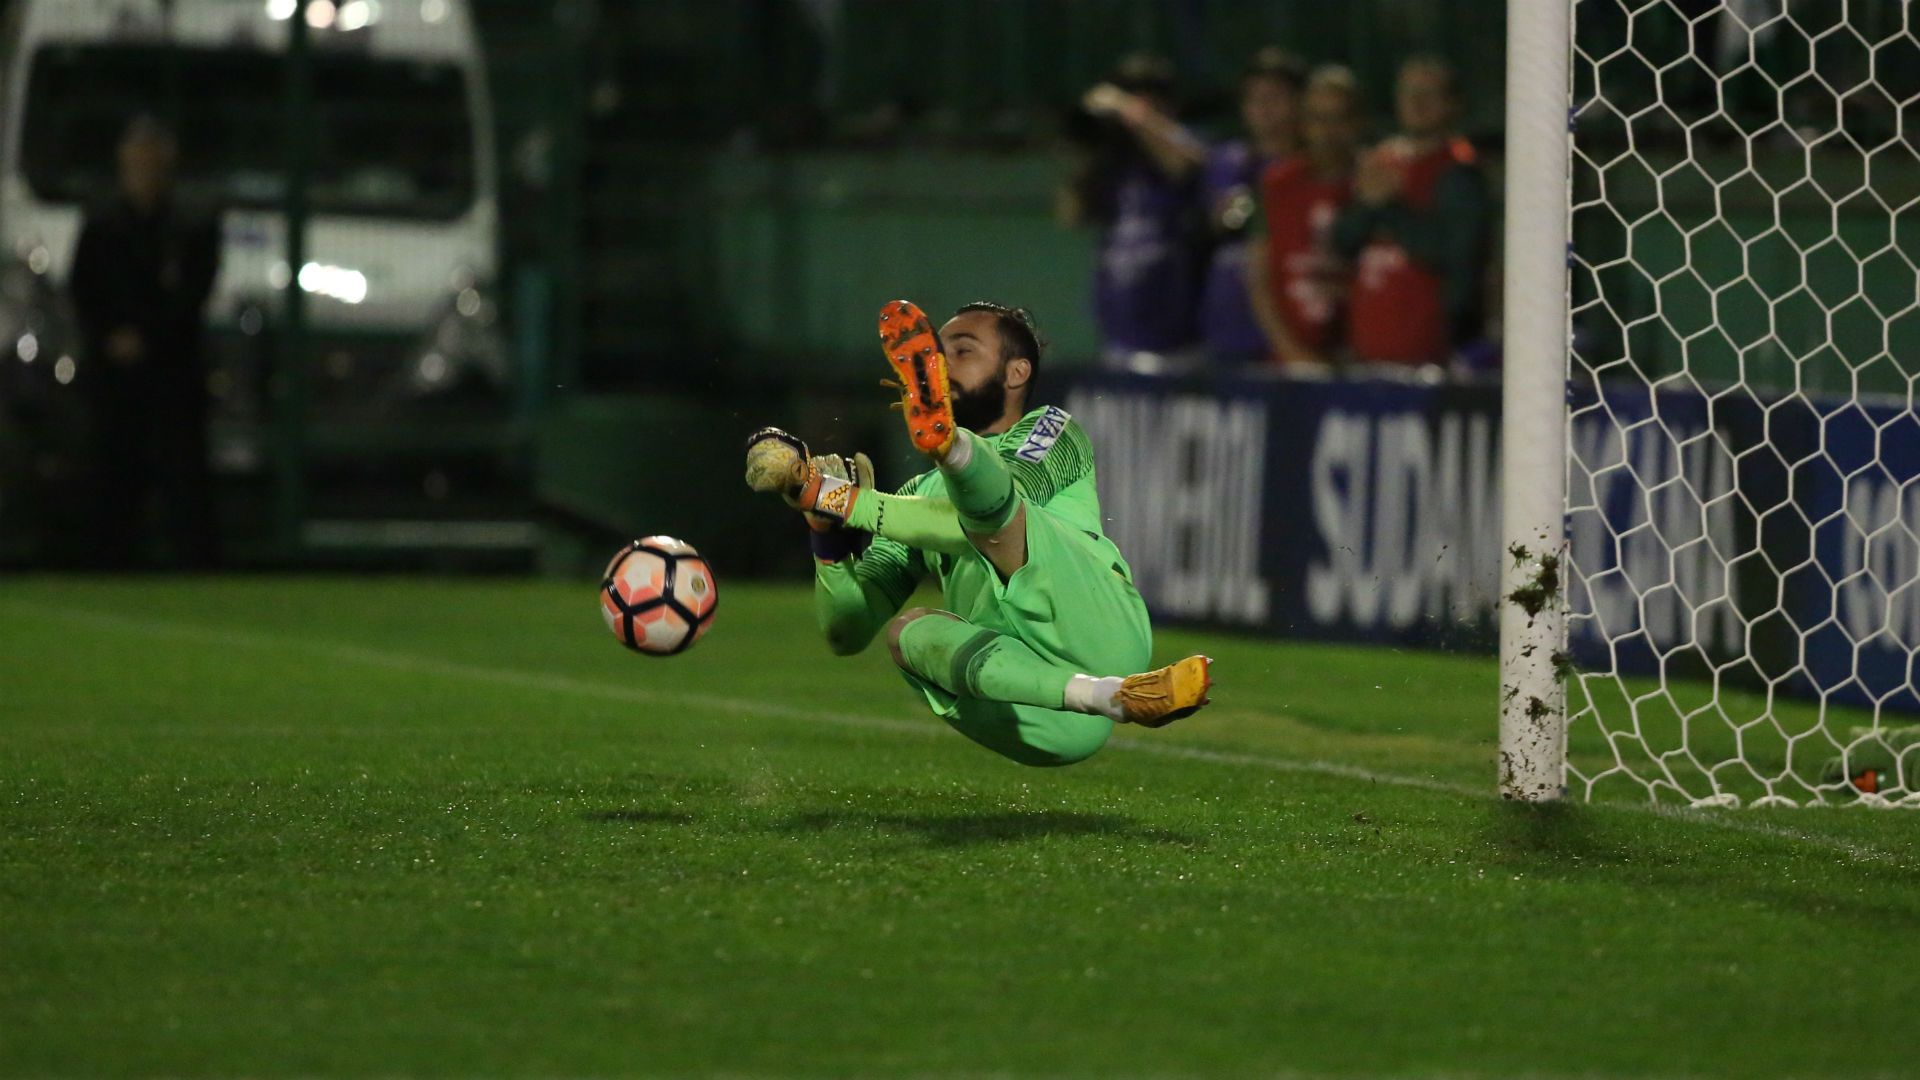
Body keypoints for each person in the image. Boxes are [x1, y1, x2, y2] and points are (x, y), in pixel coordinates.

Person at [744, 300, 1212, 767]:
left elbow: (978, 518)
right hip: (1053, 713)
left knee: (993, 516)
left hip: (1100, 633)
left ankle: (953, 448)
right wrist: (825, 536)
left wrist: (826, 495)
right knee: (907, 632)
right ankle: (1111, 697)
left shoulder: (1053, 431)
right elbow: (847, 631)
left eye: (960, 352)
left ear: (1016, 372)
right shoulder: (912, 496)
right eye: (928, 358)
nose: (936, 368)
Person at [68, 116, 221, 567]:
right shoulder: (102, 224)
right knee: (113, 471)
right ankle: (108, 561)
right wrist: (110, 337)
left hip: (172, 370)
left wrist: (148, 338)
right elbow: (83, 290)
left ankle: (196, 567)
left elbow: (193, 294)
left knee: (184, 475)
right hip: (114, 373)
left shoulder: (191, 226)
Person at [1329, 56, 1491, 370]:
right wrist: (1368, 204)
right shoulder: (1381, 160)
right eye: (1408, 93)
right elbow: (1341, 242)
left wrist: (1390, 206)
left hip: (1427, 359)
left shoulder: (1459, 171)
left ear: (1452, 105)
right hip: (1366, 355)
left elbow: (1456, 259)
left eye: (1429, 95)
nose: (1416, 103)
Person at [1059, 55, 1209, 372]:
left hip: (1178, 342)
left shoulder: (1182, 144)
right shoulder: (1115, 163)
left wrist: (1132, 114)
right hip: (1119, 340)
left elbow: (1186, 165)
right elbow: (1070, 214)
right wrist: (1091, 145)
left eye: (1145, 97)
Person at [1245, 65, 1362, 369]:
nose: (1327, 131)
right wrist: (1293, 354)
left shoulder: (1371, 184)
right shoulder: (1277, 184)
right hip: (1290, 366)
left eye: (1339, 119)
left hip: (1359, 364)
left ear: (1359, 123)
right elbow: (1259, 278)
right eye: (1318, 119)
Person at [1199, 47, 1306, 368]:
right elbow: (1215, 224)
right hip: (1226, 332)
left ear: (1300, 102)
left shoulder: (1311, 167)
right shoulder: (1228, 161)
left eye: (1275, 98)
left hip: (1290, 338)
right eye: (1254, 99)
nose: (1264, 109)